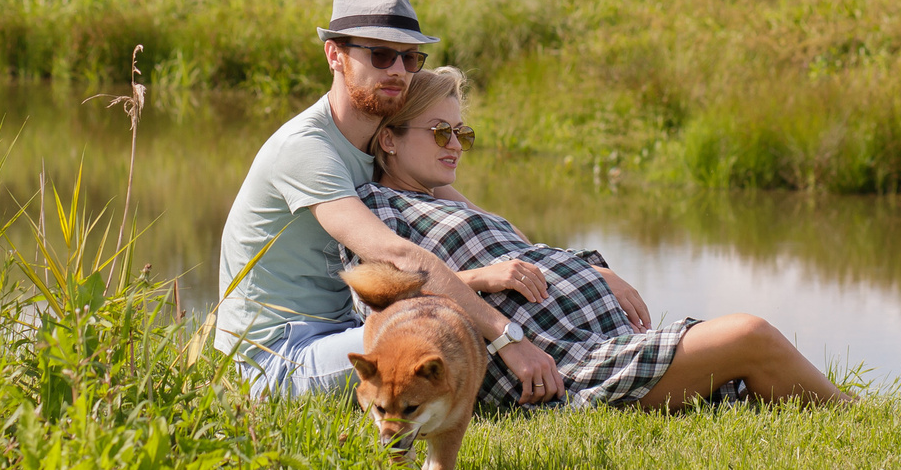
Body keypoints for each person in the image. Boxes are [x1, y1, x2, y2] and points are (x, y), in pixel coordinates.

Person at [358, 66, 853, 411]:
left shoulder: (445, 197)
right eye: (440, 132)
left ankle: (836, 410)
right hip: (558, 362)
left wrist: (592, 269)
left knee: (751, 374)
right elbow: (381, 309)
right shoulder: (380, 209)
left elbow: (530, 254)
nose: (455, 147)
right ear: (389, 139)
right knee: (749, 334)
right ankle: (858, 416)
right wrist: (480, 279)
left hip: (598, 337)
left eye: (462, 135)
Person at [212, 0, 566, 405]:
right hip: (275, 360)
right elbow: (396, 256)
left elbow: (487, 224)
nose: (398, 70)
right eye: (380, 54)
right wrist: (509, 338)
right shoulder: (307, 149)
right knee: (440, 321)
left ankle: (567, 372)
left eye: (410, 57)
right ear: (335, 56)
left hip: (345, 330)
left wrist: (587, 272)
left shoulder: (379, 141)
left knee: (455, 304)